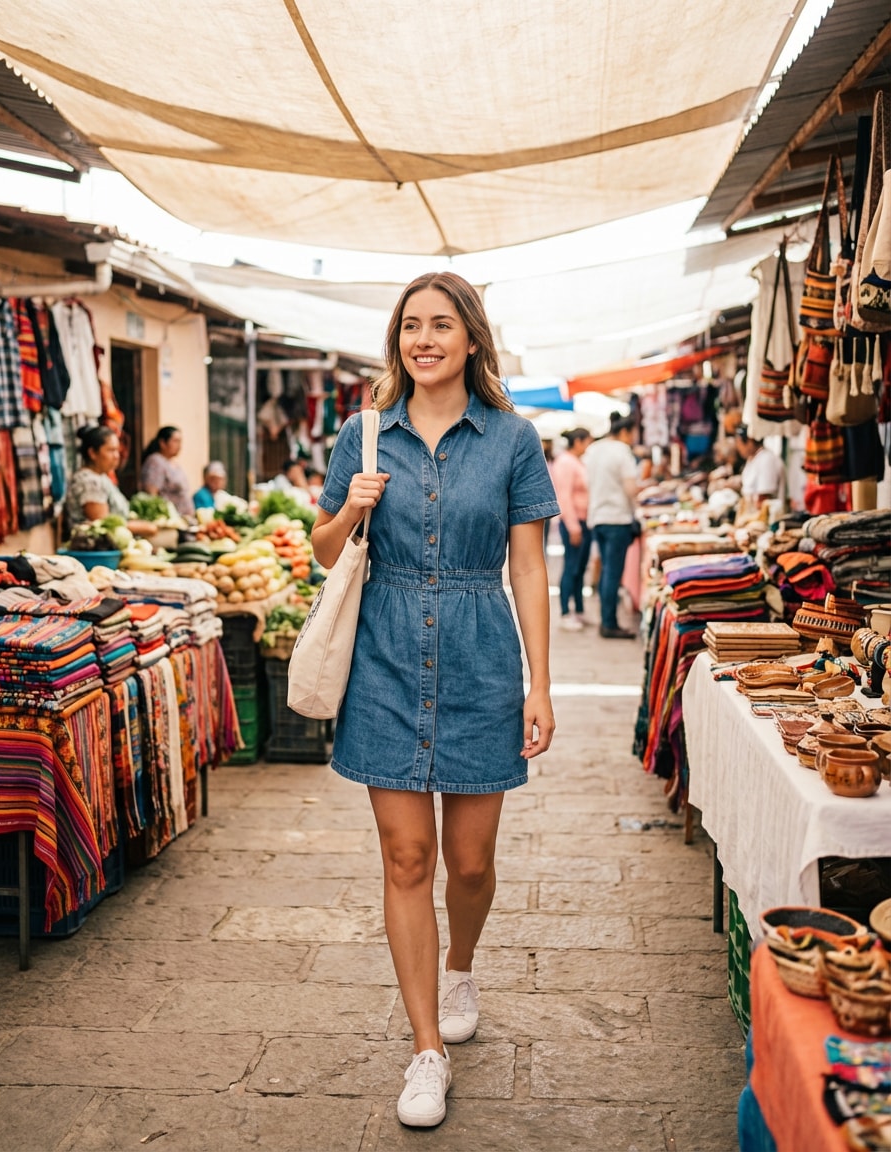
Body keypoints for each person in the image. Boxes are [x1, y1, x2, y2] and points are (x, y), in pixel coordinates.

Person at [311, 272, 558, 1129]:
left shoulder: (513, 438)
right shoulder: (363, 433)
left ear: (470, 339)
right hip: (384, 655)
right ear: (398, 341)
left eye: (441, 325)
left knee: (472, 864)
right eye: (411, 326)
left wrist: (542, 683)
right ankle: (426, 1050)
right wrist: (349, 507)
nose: (424, 339)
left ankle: (462, 964)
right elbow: (320, 548)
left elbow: (528, 565)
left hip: (481, 652)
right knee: (405, 859)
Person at [584, 412, 640, 639]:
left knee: (608, 570)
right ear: (625, 432)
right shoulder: (622, 453)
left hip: (598, 517)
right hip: (617, 518)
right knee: (612, 573)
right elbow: (630, 489)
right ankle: (609, 623)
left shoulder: (594, 450)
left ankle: (608, 620)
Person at [65, 426, 157, 537]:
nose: (117, 456)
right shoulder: (89, 482)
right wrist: (146, 527)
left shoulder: (101, 477)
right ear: (92, 453)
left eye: (117, 450)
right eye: (111, 450)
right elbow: (103, 524)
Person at [551, 427, 592, 630]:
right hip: (573, 522)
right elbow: (564, 495)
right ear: (578, 442)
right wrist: (573, 525)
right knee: (571, 567)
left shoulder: (576, 461)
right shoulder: (566, 462)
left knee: (579, 568)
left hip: (583, 521)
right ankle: (566, 611)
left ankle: (579, 610)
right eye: (587, 441)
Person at [139, 425, 194, 516]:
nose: (179, 445)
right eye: (175, 441)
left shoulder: (174, 464)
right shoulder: (155, 461)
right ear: (163, 443)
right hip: (170, 521)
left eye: (180, 441)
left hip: (184, 520)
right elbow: (152, 494)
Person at [735, 425, 784, 509]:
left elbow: (764, 498)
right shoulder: (752, 458)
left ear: (750, 442)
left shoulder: (767, 459)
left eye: (739, 443)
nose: (738, 448)